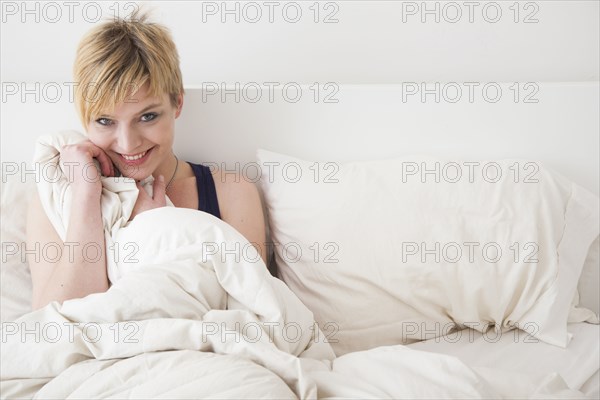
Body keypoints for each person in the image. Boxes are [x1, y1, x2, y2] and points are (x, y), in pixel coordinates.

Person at [26, 11, 267, 311]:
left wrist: (156, 226)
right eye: (104, 121)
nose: (128, 144)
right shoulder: (57, 197)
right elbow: (50, 329)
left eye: (147, 116)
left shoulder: (231, 194)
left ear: (177, 102)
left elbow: (255, 317)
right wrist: (87, 197)